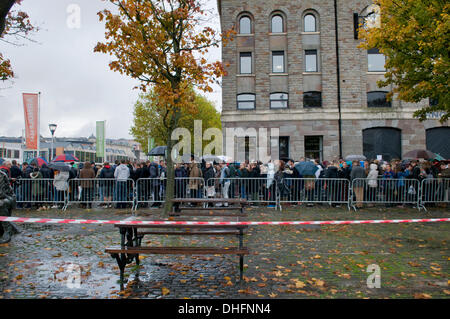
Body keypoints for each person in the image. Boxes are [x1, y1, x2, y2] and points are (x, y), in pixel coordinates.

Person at [0, 167, 18, 243]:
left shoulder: (1, 175)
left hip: (8, 197)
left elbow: (0, 193)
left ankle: (7, 230)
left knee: (1, 204)